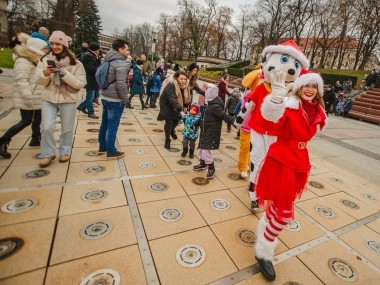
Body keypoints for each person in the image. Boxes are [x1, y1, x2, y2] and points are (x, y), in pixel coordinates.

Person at [254, 71, 327, 281]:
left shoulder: (317, 110)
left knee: (278, 205)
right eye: (306, 85)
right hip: (282, 161)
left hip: (299, 162)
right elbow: (269, 121)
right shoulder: (290, 105)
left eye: (314, 86)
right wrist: (276, 100)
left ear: (318, 90)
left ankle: (262, 232)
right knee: (285, 215)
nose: (310, 89)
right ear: (299, 87)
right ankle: (264, 251)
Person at [234, 40, 309, 212]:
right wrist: (238, 120)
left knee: (272, 166)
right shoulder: (261, 88)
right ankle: (254, 194)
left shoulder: (292, 94)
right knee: (256, 160)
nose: (288, 69)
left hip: (278, 136)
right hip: (258, 130)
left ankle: (267, 190)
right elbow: (249, 105)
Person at [36, 31, 86, 167]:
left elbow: (80, 83)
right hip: (49, 97)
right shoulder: (44, 60)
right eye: (52, 43)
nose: (54, 46)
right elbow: (40, 81)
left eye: (58, 44)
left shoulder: (76, 64)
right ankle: (47, 153)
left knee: (67, 128)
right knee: (46, 127)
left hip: (68, 98)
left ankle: (64, 151)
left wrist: (64, 74)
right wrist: (45, 74)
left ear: (64, 44)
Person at [0, 34, 48, 159]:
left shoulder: (35, 59)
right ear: (36, 48)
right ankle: (2, 140)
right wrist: (27, 96)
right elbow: (21, 80)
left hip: (37, 95)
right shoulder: (24, 61)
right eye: (44, 48)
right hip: (28, 96)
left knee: (38, 118)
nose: (46, 51)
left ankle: (35, 138)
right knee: (25, 121)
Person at [97, 39, 131, 159]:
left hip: (105, 95)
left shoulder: (107, 59)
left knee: (104, 122)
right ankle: (111, 151)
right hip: (115, 99)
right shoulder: (121, 64)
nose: (128, 51)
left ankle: (102, 146)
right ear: (120, 50)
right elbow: (121, 84)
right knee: (112, 125)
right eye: (127, 49)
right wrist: (125, 99)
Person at [192, 87, 236, 178]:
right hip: (205, 131)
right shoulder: (209, 105)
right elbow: (202, 118)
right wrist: (195, 124)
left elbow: (224, 115)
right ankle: (203, 164)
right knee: (201, 149)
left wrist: (234, 122)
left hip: (211, 132)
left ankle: (211, 167)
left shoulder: (215, 107)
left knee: (205, 151)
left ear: (209, 98)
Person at [157, 70, 191, 149]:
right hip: (166, 104)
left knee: (176, 120)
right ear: (176, 78)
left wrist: (185, 106)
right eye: (181, 79)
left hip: (176, 104)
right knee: (169, 121)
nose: (183, 81)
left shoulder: (185, 87)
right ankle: (167, 140)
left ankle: (172, 130)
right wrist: (180, 110)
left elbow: (184, 97)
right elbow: (172, 99)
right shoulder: (171, 85)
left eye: (184, 79)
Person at [76, 42, 101, 119]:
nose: (99, 51)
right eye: (98, 49)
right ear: (95, 49)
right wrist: (100, 69)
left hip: (94, 80)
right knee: (90, 97)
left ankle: (82, 106)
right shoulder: (88, 56)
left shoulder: (93, 55)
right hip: (90, 79)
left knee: (97, 95)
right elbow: (90, 69)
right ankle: (91, 112)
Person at [237, 90, 252, 178]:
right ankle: (243, 167)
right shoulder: (249, 94)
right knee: (245, 147)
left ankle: (247, 163)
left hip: (257, 128)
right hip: (246, 126)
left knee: (253, 149)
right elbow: (243, 108)